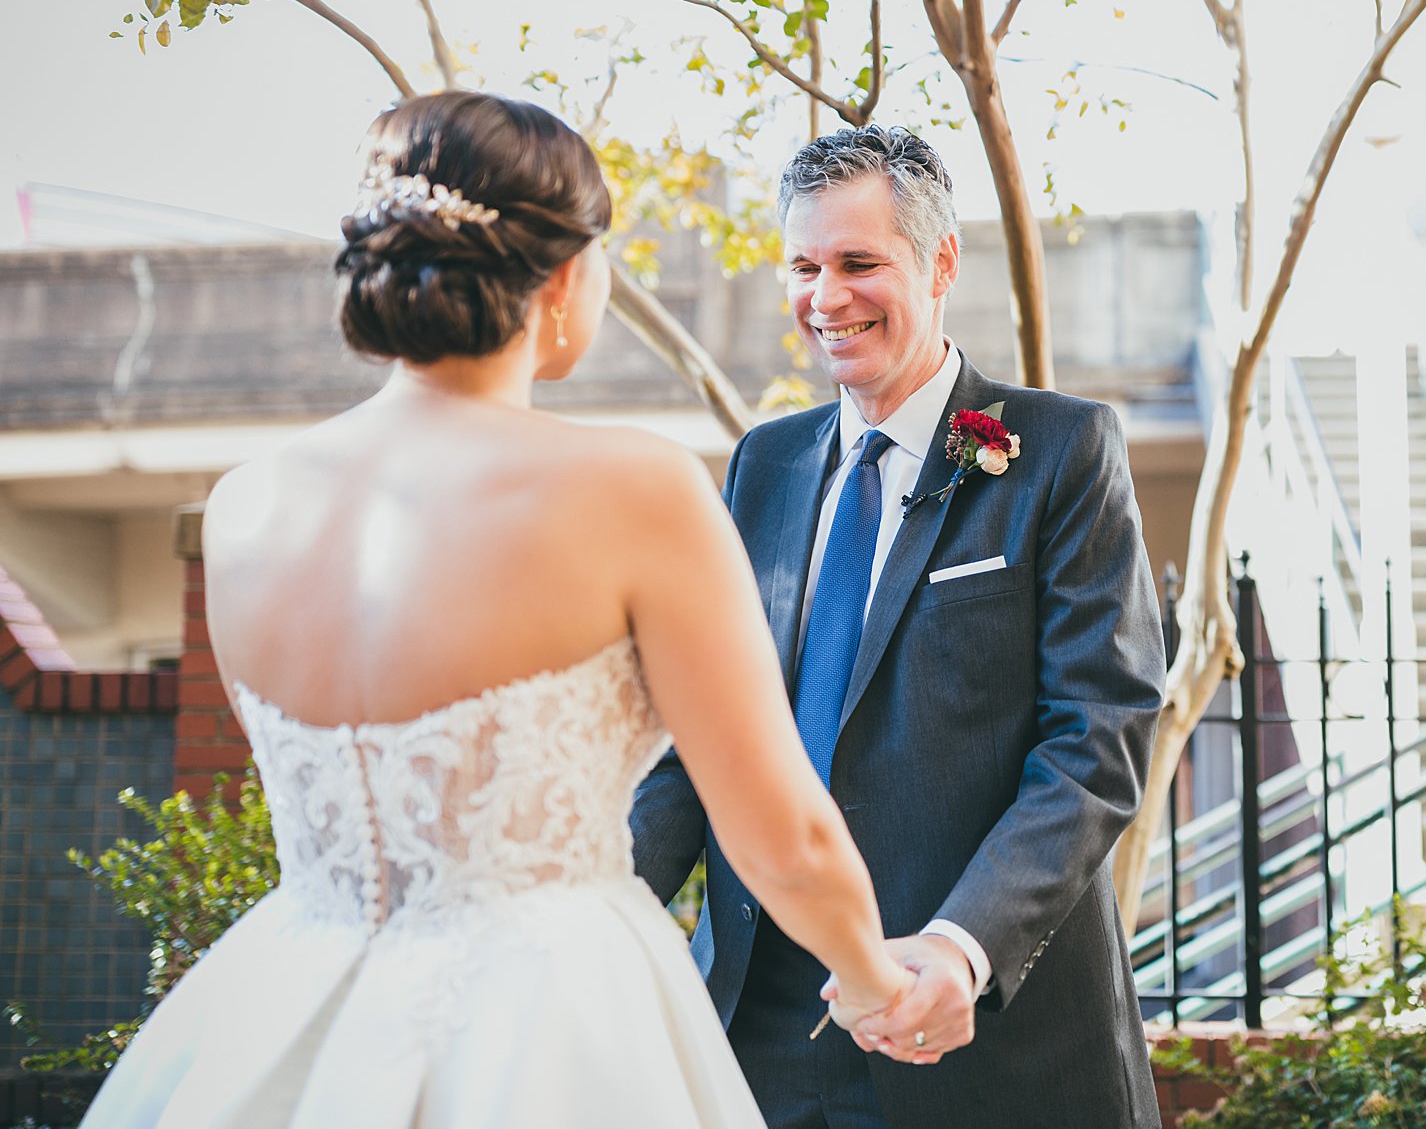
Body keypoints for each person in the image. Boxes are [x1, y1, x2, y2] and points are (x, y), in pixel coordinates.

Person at [83, 91, 917, 1129]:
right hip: (549, 1023)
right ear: (566, 276)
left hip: (285, 1010)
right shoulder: (635, 490)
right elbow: (782, 833)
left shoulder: (247, 504)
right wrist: (879, 984)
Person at [631, 125, 1167, 1129]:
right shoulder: (765, 464)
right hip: (759, 1037)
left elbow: (1095, 739)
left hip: (984, 1045)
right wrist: (594, 905)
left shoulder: (1055, 452)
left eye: (857, 263)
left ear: (940, 263)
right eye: (803, 265)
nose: (824, 297)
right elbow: (705, 734)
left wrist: (963, 947)